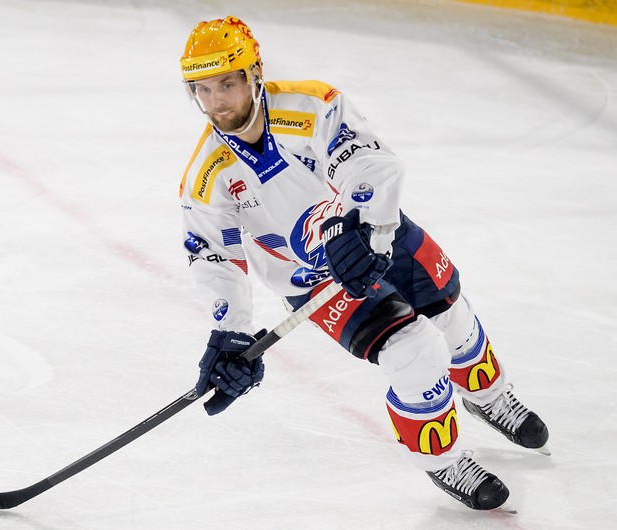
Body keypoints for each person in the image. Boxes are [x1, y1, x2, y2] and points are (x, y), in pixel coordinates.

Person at [178, 16, 549, 511]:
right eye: (204, 89)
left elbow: (370, 165)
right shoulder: (207, 177)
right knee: (414, 351)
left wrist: (363, 230)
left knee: (453, 320)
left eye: (227, 82)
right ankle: (445, 460)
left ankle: (490, 395)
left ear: (254, 75)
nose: (218, 101)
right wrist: (232, 331)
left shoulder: (311, 105)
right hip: (311, 281)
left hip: (377, 230)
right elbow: (214, 255)